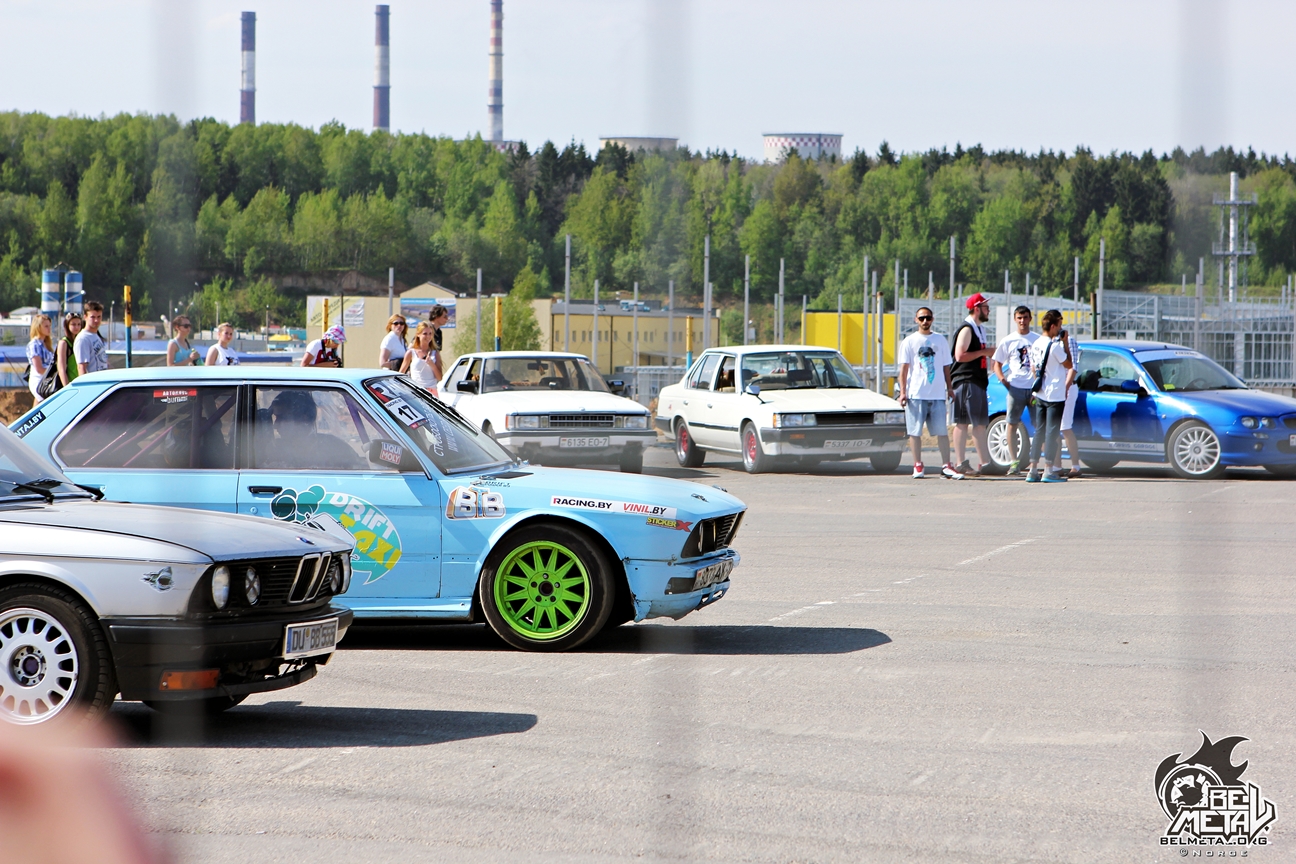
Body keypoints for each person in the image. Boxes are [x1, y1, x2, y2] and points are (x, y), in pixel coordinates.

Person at [897, 307, 961, 480]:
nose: (925, 321)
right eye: (922, 318)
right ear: (916, 320)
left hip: (937, 394)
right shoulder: (909, 341)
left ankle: (946, 465)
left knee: (942, 431)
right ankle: (917, 464)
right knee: (915, 432)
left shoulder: (940, 340)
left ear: (932, 319)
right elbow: (904, 370)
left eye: (928, 318)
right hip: (916, 394)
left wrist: (949, 388)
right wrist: (903, 392)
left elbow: (946, 367)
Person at [1024, 309, 1074, 483]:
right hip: (1055, 394)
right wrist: (1065, 343)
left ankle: (1032, 469)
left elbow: (1033, 368)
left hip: (1041, 392)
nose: (1060, 329)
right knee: (1052, 433)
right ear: (1053, 326)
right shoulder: (1054, 347)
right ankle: (1048, 469)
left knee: (1039, 431)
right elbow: (1069, 363)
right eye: (1059, 325)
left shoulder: (1036, 343)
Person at [991, 305, 1039, 475]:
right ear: (1014, 319)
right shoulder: (1008, 340)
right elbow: (996, 364)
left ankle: (1038, 461)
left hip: (1034, 390)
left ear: (1030, 318)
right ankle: (1014, 462)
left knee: (1039, 424)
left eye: (1025, 317)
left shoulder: (1037, 339)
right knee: (1011, 423)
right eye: (1019, 318)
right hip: (1015, 388)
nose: (1022, 321)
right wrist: (1003, 380)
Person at [950, 292, 995, 476]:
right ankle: (961, 463)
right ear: (977, 309)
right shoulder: (967, 329)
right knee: (963, 422)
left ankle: (985, 462)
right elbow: (959, 355)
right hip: (966, 380)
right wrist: (984, 352)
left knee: (980, 424)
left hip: (977, 381)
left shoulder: (978, 328)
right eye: (985, 307)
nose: (988, 310)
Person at [1058, 328, 1084, 478]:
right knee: (1053, 427)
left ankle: (1075, 465)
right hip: (1054, 388)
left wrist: (1066, 387)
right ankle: (1056, 466)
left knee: (1065, 427)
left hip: (1067, 386)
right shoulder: (1049, 342)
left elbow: (1073, 366)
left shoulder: (1070, 341)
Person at [400, 321, 440, 395]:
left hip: (431, 391)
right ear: (418, 334)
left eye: (430, 333)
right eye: (425, 333)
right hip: (416, 391)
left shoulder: (435, 353)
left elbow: (439, 378)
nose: (428, 336)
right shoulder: (411, 352)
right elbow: (400, 373)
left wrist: (432, 365)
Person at [74, 301, 108, 377]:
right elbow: (81, 367)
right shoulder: (83, 338)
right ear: (85, 317)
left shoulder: (96, 336)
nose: (96, 320)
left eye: (99, 317)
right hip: (93, 382)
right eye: (93, 317)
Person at [25, 314, 54, 404]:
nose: (49, 329)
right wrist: (55, 372)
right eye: (46, 326)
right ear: (38, 327)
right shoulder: (34, 345)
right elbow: (39, 369)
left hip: (47, 380)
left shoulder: (47, 344)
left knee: (39, 406)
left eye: (49, 326)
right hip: (39, 380)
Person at [56, 312, 83, 387]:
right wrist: (67, 387)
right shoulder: (64, 343)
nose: (77, 327)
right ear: (67, 325)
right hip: (71, 384)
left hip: (81, 382)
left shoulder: (80, 341)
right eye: (73, 324)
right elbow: (61, 369)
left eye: (79, 324)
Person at [426, 304, 450, 381]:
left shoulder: (439, 332)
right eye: (444, 316)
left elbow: (437, 352)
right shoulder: (426, 329)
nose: (447, 319)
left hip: (433, 370)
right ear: (436, 316)